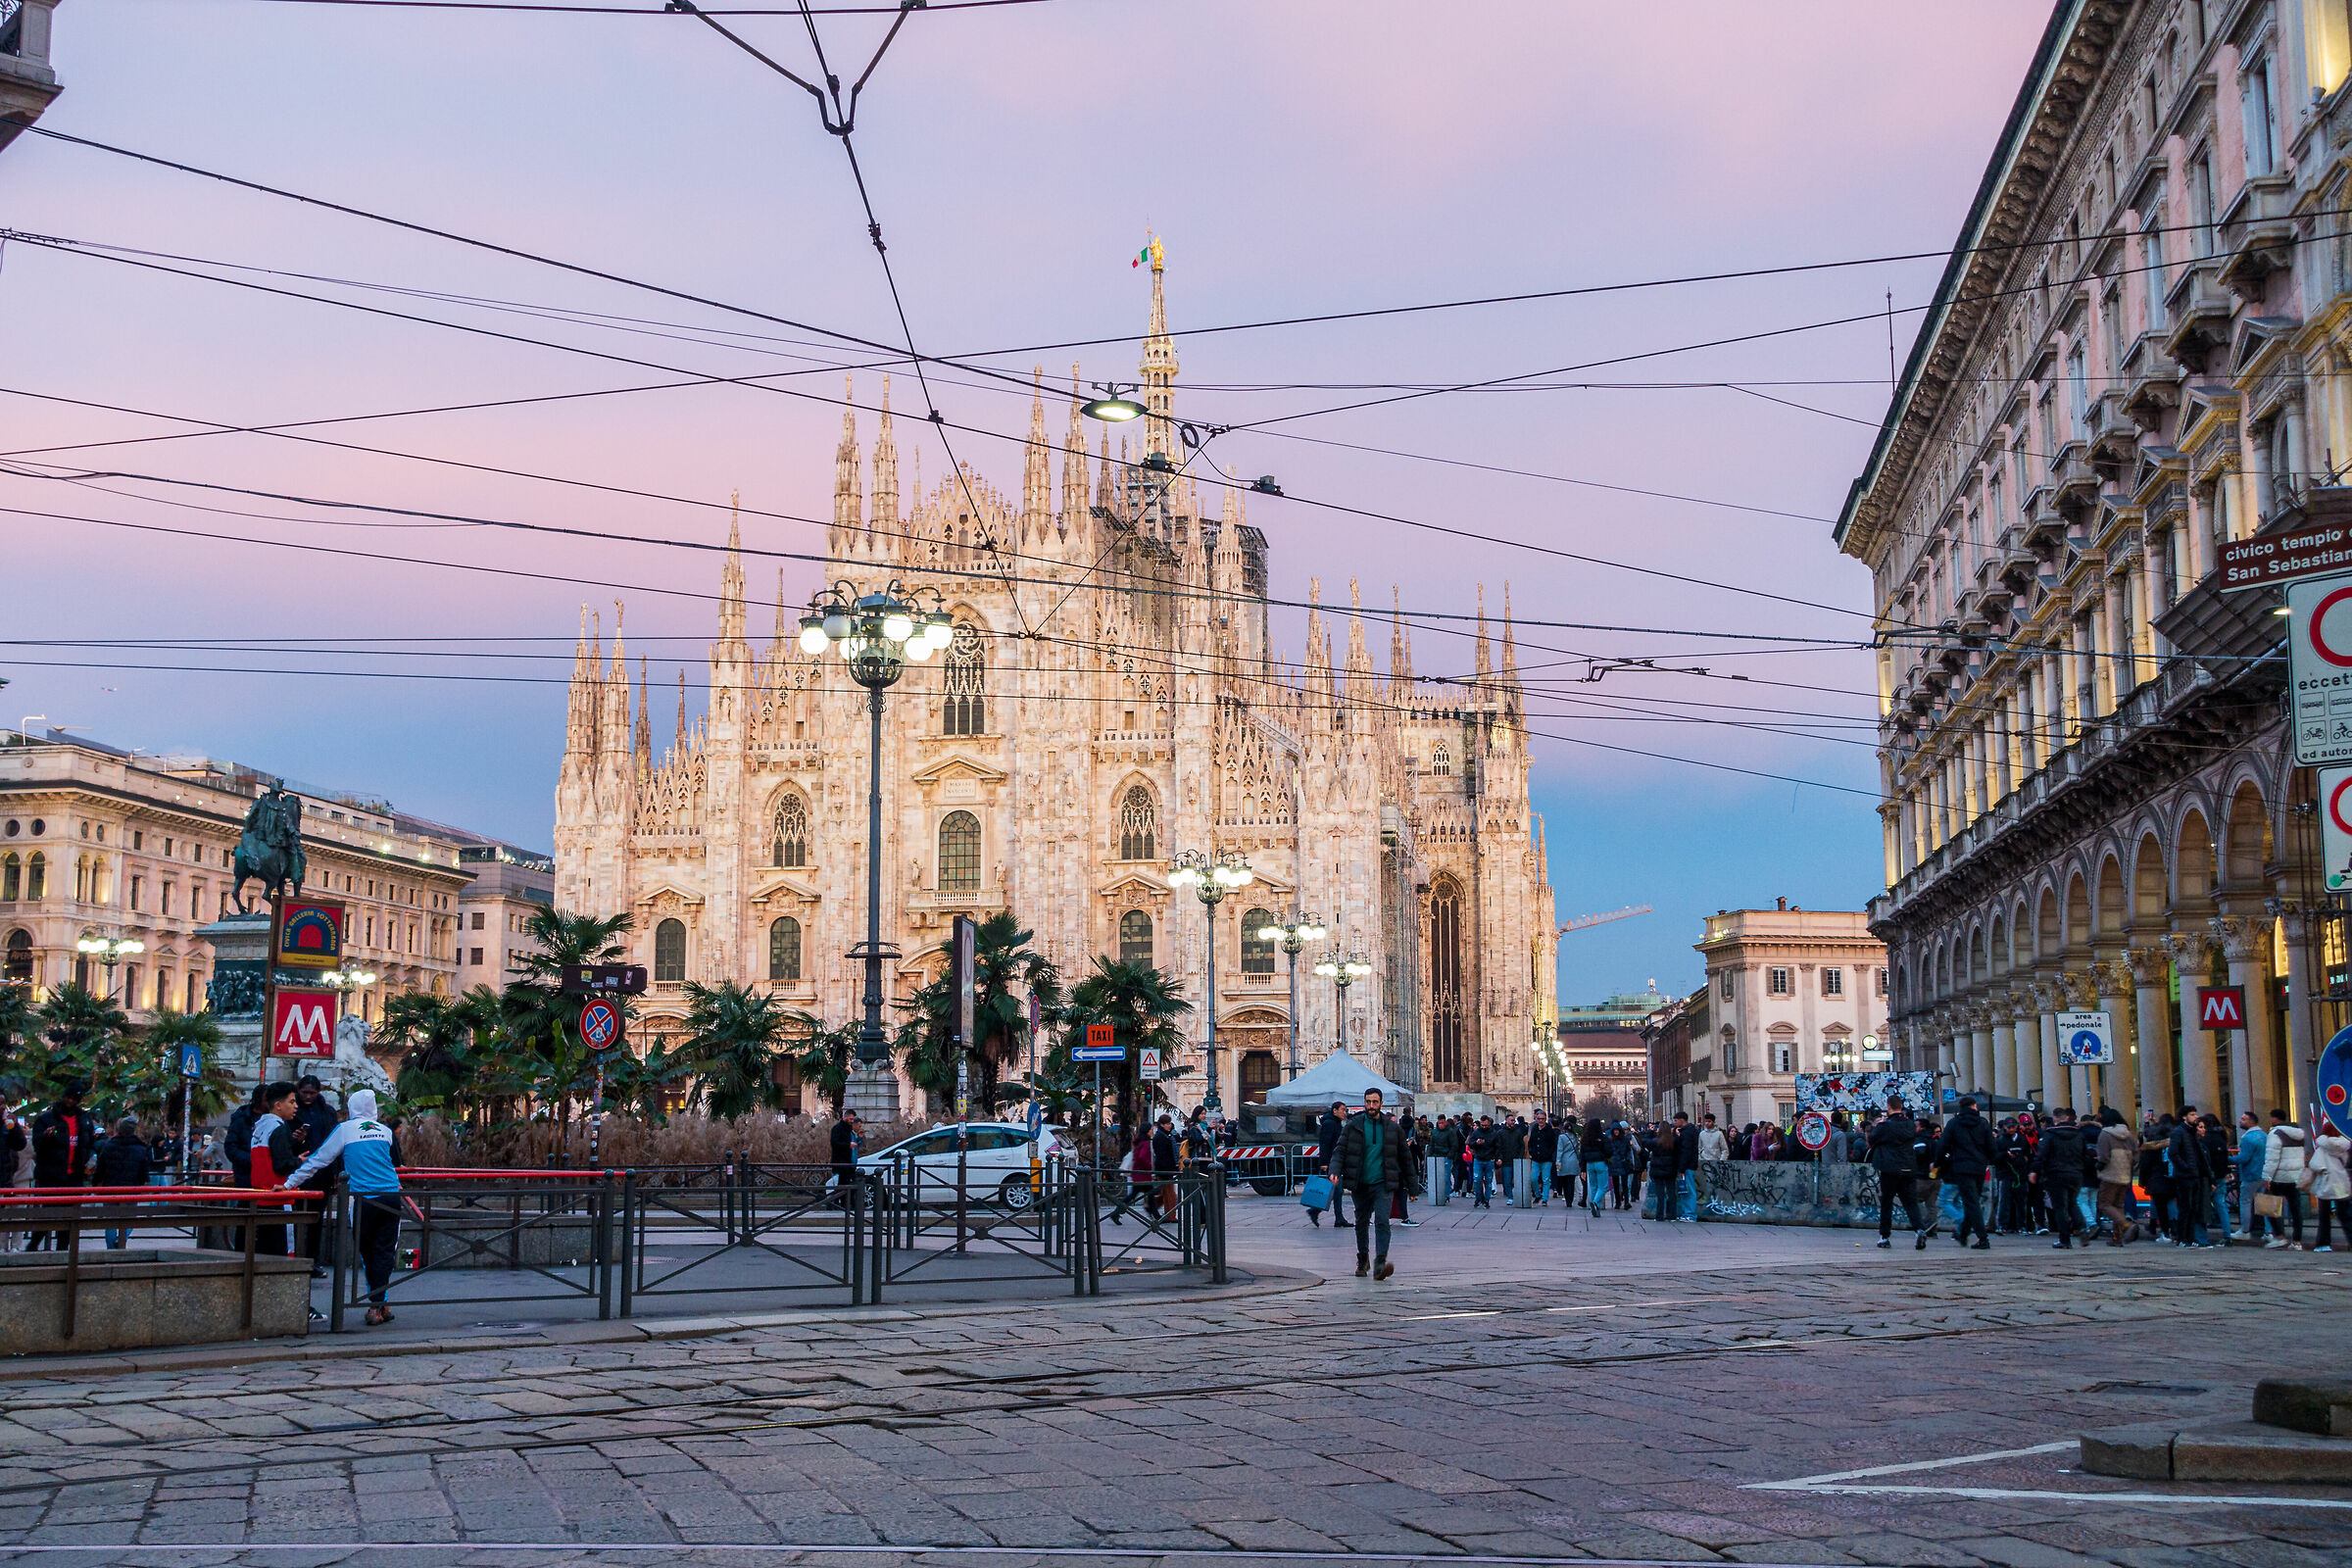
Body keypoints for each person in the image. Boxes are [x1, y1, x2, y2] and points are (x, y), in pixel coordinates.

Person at [278, 1088, 405, 1326]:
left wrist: (288, 1183)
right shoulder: (386, 1131)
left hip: (364, 1199)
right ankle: (381, 1303)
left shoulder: (345, 1130)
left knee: (368, 1253)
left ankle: (376, 1305)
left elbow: (318, 1160)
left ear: (352, 1107)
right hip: (391, 1197)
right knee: (385, 1252)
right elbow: (395, 1163)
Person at [1337, 1087, 1404, 1279]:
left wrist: (1412, 1185)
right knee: (1361, 1222)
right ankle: (1363, 1259)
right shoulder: (1354, 1126)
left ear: (1381, 1104)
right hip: (1361, 1183)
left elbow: (1404, 1157)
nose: (1371, 1105)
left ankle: (1380, 1264)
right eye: (1368, 1102)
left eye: (1375, 1102)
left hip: (1383, 1183)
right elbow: (1340, 1150)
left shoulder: (1392, 1128)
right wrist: (1334, 1170)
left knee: (1382, 1221)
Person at [26, 1083, 98, 1251]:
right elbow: (37, 1145)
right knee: (48, 1213)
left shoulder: (84, 1120)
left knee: (69, 1216)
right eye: (68, 1097)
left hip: (75, 1176)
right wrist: (46, 1137)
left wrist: (90, 1160)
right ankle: (32, 1246)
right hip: (51, 1175)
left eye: (75, 1099)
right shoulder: (46, 1119)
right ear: (64, 1096)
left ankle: (62, 1251)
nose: (70, 1101)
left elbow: (89, 1144)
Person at [290, 1076, 342, 1277]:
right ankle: (296, 1258)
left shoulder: (327, 1112)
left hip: (323, 1173)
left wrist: (336, 1171)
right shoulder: (293, 1110)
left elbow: (335, 1142)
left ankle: (313, 1260)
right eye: (305, 1093)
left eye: (312, 1093)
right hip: (300, 1169)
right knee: (296, 1217)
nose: (308, 1096)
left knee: (316, 1219)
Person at [247, 1083, 300, 1258]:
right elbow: (282, 1165)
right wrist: (299, 1161)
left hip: (260, 1196)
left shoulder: (259, 1127)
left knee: (264, 1249)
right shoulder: (279, 1128)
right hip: (280, 1195)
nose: (295, 1106)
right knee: (283, 1249)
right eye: (291, 1102)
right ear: (278, 1105)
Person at [1936, 1096, 1996, 1250]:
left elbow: (1943, 1145)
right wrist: (1990, 1159)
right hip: (1979, 1167)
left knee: (1971, 1202)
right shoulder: (1983, 1123)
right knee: (1972, 1201)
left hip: (1962, 1168)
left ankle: (1982, 1238)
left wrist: (1937, 1163)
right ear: (1974, 1106)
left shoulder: (1954, 1123)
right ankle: (1963, 1233)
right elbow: (1991, 1146)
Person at [1866, 1098, 1926, 1249]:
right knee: (1911, 1202)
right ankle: (1919, 1229)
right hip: (1908, 1167)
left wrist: (1876, 1126)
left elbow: (1872, 1140)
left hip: (1890, 1168)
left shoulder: (1885, 1126)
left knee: (1887, 1202)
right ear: (1901, 1106)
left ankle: (1884, 1237)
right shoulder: (1910, 1125)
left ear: (1888, 1107)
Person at [2031, 1106, 2092, 1249]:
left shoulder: (2050, 1135)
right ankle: (2083, 1228)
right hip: (2076, 1173)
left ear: (2055, 1119)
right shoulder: (2078, 1134)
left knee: (2060, 1207)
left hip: (2056, 1174)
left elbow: (2041, 1154)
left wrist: (2034, 1170)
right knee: (2072, 1203)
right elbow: (2086, 1155)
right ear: (2067, 1118)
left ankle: (2064, 1239)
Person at [92, 1117, 154, 1249]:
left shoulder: (109, 1146)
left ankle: (111, 1249)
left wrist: (96, 1183)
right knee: (129, 1219)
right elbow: (143, 1172)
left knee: (110, 1220)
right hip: (131, 1188)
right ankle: (121, 1240)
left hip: (110, 1188)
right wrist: (141, 1183)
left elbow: (100, 1168)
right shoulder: (140, 1148)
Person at [2263, 1109, 2311, 1249]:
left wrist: (2267, 1177)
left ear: (2275, 1119)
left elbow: (2272, 1158)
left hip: (2279, 1176)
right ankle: (2297, 1241)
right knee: (2296, 1210)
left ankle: (2279, 1236)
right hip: (2295, 1176)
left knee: (2270, 1205)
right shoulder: (2299, 1135)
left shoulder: (2275, 1134)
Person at [2093, 1108, 2141, 1246]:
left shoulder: (2105, 1134)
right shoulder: (2129, 1134)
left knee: (2104, 1204)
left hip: (2110, 1174)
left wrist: (2097, 1166)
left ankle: (2127, 1225)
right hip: (2125, 1174)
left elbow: (2103, 1156)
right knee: (2118, 1205)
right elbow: (2136, 1155)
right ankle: (2117, 1237)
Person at [2308, 1119, 2351, 1252]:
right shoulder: (2345, 1146)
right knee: (2345, 1215)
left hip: (2326, 1182)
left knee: (2324, 1216)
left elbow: (2315, 1164)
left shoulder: (2322, 1148)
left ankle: (2323, 1243)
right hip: (2340, 1181)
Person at [2236, 1111, 2276, 1244]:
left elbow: (2243, 1158)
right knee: (2264, 1204)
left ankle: (2245, 1230)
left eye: (2243, 1119)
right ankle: (2269, 1232)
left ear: (2251, 1122)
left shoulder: (2247, 1138)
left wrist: (2228, 1159)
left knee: (2245, 1202)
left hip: (2250, 1174)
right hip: (2263, 1174)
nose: (2240, 1121)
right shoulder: (2264, 1135)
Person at [1310, 1102, 1348, 1229]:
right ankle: (1315, 1210)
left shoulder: (1336, 1123)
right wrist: (1324, 1162)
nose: (1344, 1112)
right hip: (1331, 1162)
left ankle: (1339, 1218)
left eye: (1345, 1110)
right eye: (1342, 1110)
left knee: (1337, 1190)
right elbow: (1325, 1143)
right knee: (1335, 1190)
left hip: (1335, 1161)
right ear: (1334, 1111)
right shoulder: (1329, 1124)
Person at [1645, 1118, 1680, 1222]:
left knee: (1660, 1193)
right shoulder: (1673, 1141)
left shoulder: (1655, 1141)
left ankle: (1659, 1215)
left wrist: (1650, 1131)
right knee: (1671, 1192)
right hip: (1670, 1168)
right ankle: (1671, 1215)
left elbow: (1645, 1142)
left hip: (1657, 1168)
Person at [1428, 1112, 1463, 1205]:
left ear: (1445, 1122)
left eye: (1442, 1123)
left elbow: (1454, 1145)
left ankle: (1446, 1195)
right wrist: (1429, 1156)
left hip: (1446, 1156)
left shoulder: (1450, 1132)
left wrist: (1449, 1155)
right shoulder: (1435, 1132)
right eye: (1439, 1123)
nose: (1441, 1125)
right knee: (1436, 1176)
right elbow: (1431, 1144)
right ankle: (1437, 1193)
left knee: (1446, 1176)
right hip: (1436, 1156)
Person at [829, 1108, 861, 1205]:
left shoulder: (848, 1129)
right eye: (850, 1119)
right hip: (841, 1161)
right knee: (844, 1184)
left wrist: (858, 1140)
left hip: (848, 1161)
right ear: (845, 1117)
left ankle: (845, 1204)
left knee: (848, 1184)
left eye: (853, 1119)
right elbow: (834, 1143)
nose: (852, 1121)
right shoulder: (837, 1129)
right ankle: (842, 1204)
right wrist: (848, 1145)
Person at [1526, 1112, 1557, 1208]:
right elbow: (1531, 1142)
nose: (1540, 1121)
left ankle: (1544, 1199)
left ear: (1545, 1119)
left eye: (1542, 1119)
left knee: (1546, 1179)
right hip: (1536, 1158)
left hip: (1547, 1159)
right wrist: (1531, 1151)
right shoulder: (1534, 1129)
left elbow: (1553, 1144)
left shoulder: (1550, 1130)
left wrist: (1549, 1154)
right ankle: (1538, 1194)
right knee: (1533, 1178)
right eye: (1539, 1119)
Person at [1467, 1115, 1498, 1208]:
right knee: (1477, 1180)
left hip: (1489, 1159)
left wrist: (1497, 1158)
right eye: (1482, 1125)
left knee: (1488, 1181)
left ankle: (1486, 1200)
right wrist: (1476, 1143)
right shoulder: (1476, 1132)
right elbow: (1470, 1143)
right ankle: (1478, 1198)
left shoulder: (1494, 1133)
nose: (1484, 1127)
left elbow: (1498, 1147)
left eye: (1486, 1125)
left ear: (1489, 1124)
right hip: (1479, 1158)